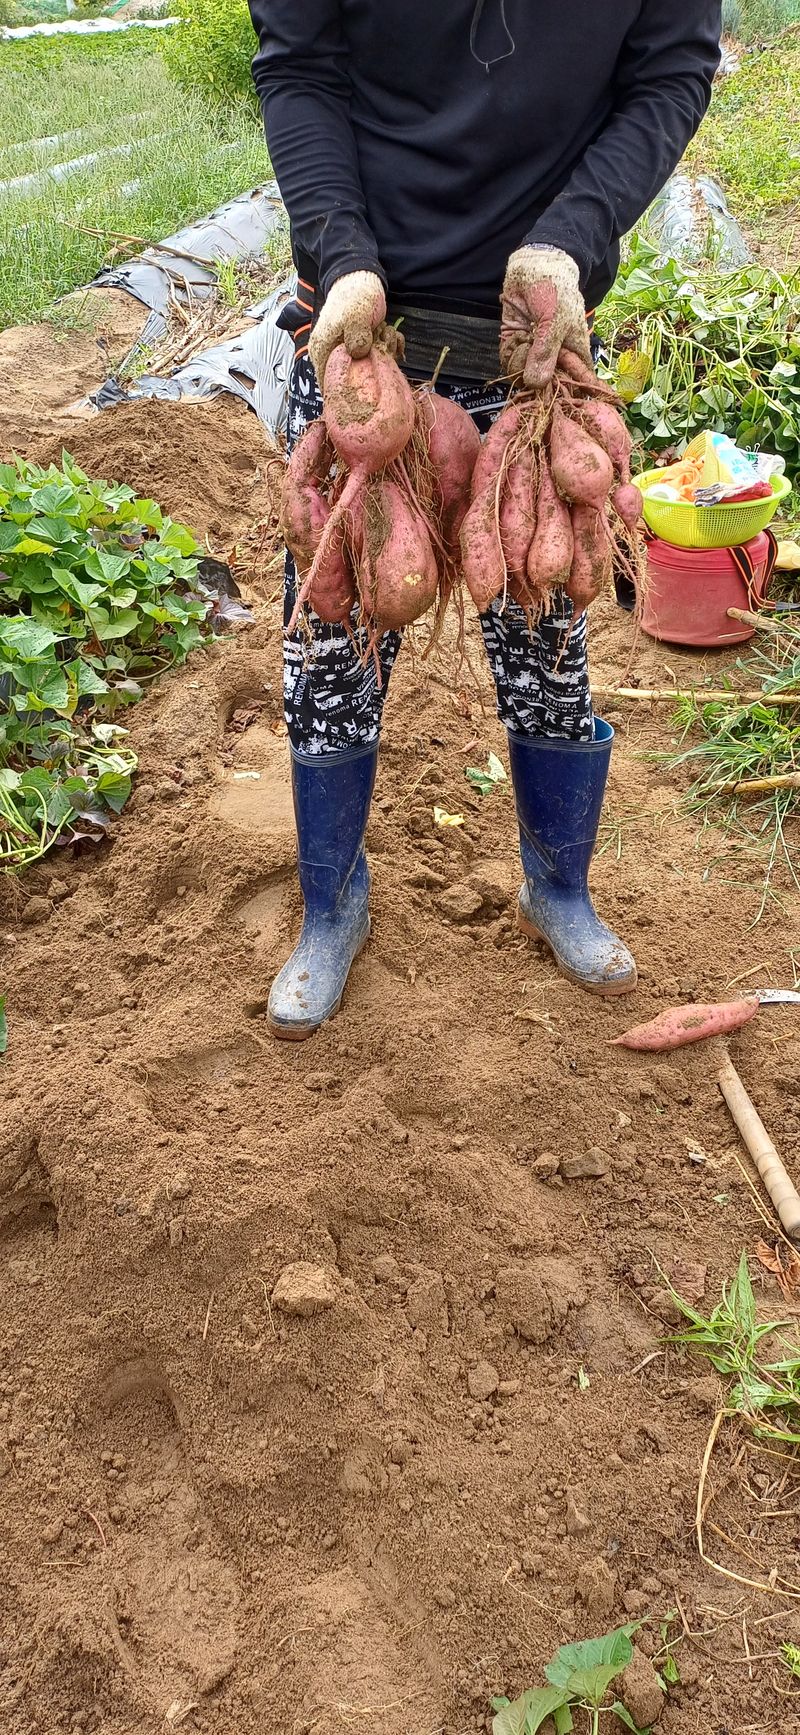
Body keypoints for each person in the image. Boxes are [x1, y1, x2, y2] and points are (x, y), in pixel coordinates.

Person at [247, 1, 722, 1040]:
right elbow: (300, 66)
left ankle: (557, 886)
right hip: (366, 344)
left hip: (532, 351)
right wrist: (340, 251)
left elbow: (671, 72)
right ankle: (331, 904)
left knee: (546, 623)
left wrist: (568, 241)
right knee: (331, 639)